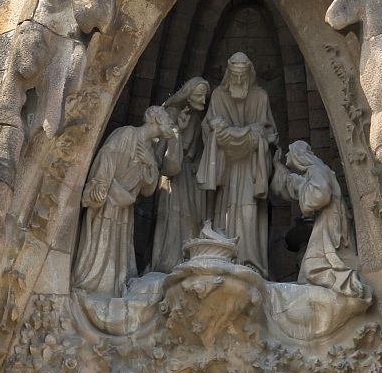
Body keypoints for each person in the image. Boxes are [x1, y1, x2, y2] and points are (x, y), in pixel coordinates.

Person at [73, 105, 176, 296]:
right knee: (99, 242)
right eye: (167, 120)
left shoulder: (149, 151)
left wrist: (150, 163)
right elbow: (107, 155)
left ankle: (110, 288)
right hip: (107, 199)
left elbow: (148, 189)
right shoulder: (127, 134)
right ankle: (89, 284)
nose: (171, 125)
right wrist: (102, 185)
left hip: (124, 206)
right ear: (156, 119)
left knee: (116, 248)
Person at [197, 53, 277, 275]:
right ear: (228, 74)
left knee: (249, 211)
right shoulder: (218, 97)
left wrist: (246, 135)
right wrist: (221, 131)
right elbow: (208, 130)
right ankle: (226, 255)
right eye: (235, 76)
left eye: (243, 77)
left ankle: (250, 260)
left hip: (251, 166)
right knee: (225, 210)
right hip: (227, 168)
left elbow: (269, 133)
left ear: (250, 74)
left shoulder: (260, 97)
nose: (239, 82)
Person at [272, 139, 366, 299]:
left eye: (290, 152)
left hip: (330, 221)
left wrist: (302, 188)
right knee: (312, 265)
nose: (287, 155)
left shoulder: (316, 169)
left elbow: (320, 196)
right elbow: (307, 187)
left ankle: (347, 285)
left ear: (297, 155)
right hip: (328, 219)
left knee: (313, 265)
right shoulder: (316, 170)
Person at [151, 77, 209, 272]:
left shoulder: (197, 119)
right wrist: (178, 130)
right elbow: (161, 150)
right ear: (188, 94)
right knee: (172, 216)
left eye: (205, 96)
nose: (203, 99)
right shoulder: (171, 113)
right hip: (173, 177)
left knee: (190, 219)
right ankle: (169, 261)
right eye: (200, 94)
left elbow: (200, 152)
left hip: (190, 177)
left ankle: (186, 259)